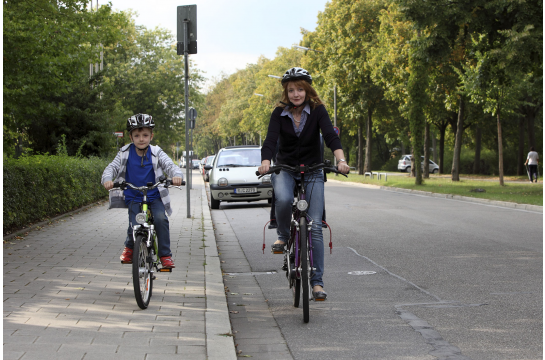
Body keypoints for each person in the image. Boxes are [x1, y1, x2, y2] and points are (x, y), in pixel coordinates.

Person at [258, 67, 350, 300]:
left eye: (300, 89)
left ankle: (317, 283)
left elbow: (330, 136)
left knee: (315, 225)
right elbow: (271, 139)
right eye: (291, 90)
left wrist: (341, 160)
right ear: (286, 92)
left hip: (312, 170)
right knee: (285, 198)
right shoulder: (279, 113)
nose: (296, 94)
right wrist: (266, 161)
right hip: (285, 168)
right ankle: (282, 234)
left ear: (307, 90)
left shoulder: (318, 110)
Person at [102, 114, 183, 268]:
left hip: (154, 196)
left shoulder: (156, 152)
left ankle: (165, 255)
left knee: (160, 219)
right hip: (133, 196)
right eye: (137, 135)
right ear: (131, 137)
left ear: (151, 136)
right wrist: (107, 179)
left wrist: (177, 176)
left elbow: (170, 166)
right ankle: (129, 247)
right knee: (135, 224)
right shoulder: (124, 152)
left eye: (145, 135)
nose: (141, 139)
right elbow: (111, 167)